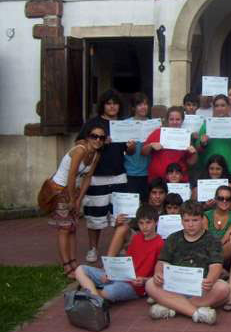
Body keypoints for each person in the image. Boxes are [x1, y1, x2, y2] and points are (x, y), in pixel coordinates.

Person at [145, 200, 230, 324]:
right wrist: (158, 273)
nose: (190, 224)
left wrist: (210, 279)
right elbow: (162, 262)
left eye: (195, 220)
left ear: (202, 219)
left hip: (200, 288)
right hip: (175, 286)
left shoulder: (212, 240)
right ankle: (196, 313)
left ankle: (170, 306)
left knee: (223, 288)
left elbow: (216, 265)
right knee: (150, 284)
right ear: (181, 221)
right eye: (186, 220)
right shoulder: (173, 238)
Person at [37, 125, 103, 278]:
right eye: (95, 136)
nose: (98, 140)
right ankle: (67, 267)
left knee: (72, 228)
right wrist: (72, 200)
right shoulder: (80, 150)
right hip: (61, 189)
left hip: (74, 191)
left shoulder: (96, 155)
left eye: (101, 138)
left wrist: (79, 199)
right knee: (64, 228)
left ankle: (74, 263)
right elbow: (71, 176)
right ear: (87, 137)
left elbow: (87, 177)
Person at [77, 90, 134, 263]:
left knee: (122, 215)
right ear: (103, 105)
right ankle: (93, 248)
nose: (112, 106)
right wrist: (100, 143)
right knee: (95, 216)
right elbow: (79, 143)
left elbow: (129, 151)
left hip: (119, 174)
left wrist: (131, 146)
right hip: (97, 176)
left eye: (115, 103)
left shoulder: (123, 124)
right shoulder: (93, 123)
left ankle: (123, 246)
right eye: (109, 103)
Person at [75, 204, 164, 303]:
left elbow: (158, 275)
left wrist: (144, 280)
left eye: (148, 223)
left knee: (109, 292)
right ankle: (96, 298)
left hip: (135, 286)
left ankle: (92, 295)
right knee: (80, 270)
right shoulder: (136, 238)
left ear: (156, 222)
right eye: (141, 223)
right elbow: (126, 262)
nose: (145, 226)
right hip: (120, 277)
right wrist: (110, 273)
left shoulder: (160, 244)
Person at [106, 178, 167, 257]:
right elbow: (128, 228)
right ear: (149, 194)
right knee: (122, 228)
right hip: (140, 238)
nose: (157, 196)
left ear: (166, 194)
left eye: (161, 193)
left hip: (160, 241)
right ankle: (109, 262)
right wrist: (118, 223)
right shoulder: (139, 206)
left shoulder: (169, 208)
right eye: (154, 193)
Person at [196, 94, 231, 183]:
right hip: (210, 170)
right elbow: (198, 150)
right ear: (213, 108)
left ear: (228, 107)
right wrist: (202, 143)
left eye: (223, 105)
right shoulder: (206, 125)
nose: (220, 108)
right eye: (217, 106)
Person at [142, 106, 198, 183]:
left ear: (182, 120)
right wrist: (150, 145)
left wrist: (194, 153)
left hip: (178, 180)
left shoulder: (186, 136)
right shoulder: (158, 132)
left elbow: (191, 162)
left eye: (178, 119)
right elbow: (143, 153)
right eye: (171, 119)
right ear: (167, 120)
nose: (174, 122)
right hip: (157, 180)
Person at [203, 185, 231, 264]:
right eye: (221, 198)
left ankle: (212, 265)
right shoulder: (206, 215)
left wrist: (215, 252)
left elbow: (225, 238)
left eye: (228, 199)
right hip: (208, 248)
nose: (224, 201)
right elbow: (206, 238)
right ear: (216, 199)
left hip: (223, 250)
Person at [124, 92, 151, 202]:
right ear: (133, 108)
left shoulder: (153, 124)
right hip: (130, 172)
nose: (143, 107)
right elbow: (122, 149)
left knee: (146, 205)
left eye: (145, 104)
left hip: (148, 172)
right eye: (139, 104)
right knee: (131, 205)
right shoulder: (125, 124)